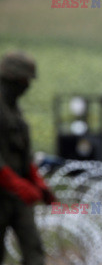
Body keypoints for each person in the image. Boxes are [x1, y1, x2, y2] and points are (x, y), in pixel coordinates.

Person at [0, 51, 56, 265]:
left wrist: (38, 183)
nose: (28, 86)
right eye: (25, 80)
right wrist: (15, 183)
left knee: (34, 253)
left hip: (18, 197)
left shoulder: (15, 109)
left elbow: (23, 153)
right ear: (11, 79)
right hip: (4, 194)